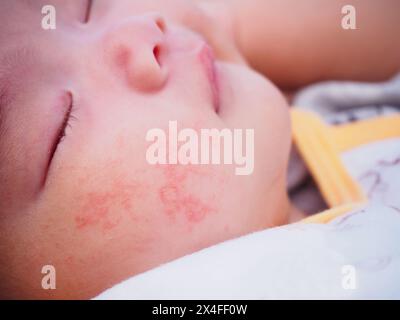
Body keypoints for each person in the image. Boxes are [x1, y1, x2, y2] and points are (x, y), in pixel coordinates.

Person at [0, 0, 399, 299]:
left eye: (86, 7)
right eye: (60, 126)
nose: (140, 30)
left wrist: (228, 26)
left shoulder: (316, 127)